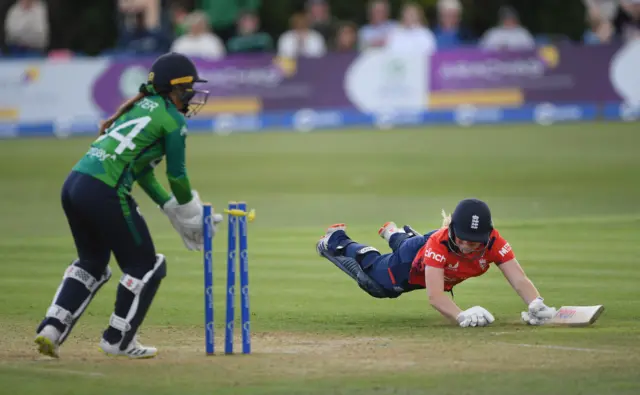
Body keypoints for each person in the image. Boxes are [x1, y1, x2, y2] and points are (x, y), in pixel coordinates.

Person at [34, 52, 223, 359]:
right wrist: (192, 213)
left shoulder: (137, 108)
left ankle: (51, 328)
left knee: (92, 263)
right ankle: (118, 339)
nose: (192, 95)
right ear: (176, 89)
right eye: (188, 88)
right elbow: (177, 175)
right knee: (146, 265)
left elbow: (144, 174)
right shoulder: (172, 120)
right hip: (104, 192)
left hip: (74, 184)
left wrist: (170, 208)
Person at [316, 198, 557, 328]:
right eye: (463, 239)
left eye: (475, 242)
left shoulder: (494, 242)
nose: (467, 247)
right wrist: (461, 316)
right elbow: (435, 296)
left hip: (425, 250)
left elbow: (518, 278)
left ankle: (394, 233)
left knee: (418, 244)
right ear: (453, 231)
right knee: (377, 284)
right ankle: (337, 239)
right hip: (410, 264)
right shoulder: (438, 245)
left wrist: (536, 303)